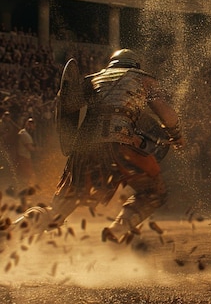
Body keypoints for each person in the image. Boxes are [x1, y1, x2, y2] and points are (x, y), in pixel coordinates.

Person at [4, 49, 184, 245]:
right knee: (154, 191)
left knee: (56, 212)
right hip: (120, 145)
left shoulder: (92, 79)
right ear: (135, 66)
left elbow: (66, 102)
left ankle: (11, 230)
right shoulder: (144, 79)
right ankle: (116, 231)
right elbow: (168, 115)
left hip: (83, 150)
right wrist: (176, 135)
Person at [15, 118, 37, 187]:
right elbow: (30, 148)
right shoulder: (25, 135)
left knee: (25, 175)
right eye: (33, 126)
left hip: (22, 156)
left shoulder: (22, 132)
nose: (34, 128)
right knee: (29, 175)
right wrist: (39, 150)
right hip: (24, 157)